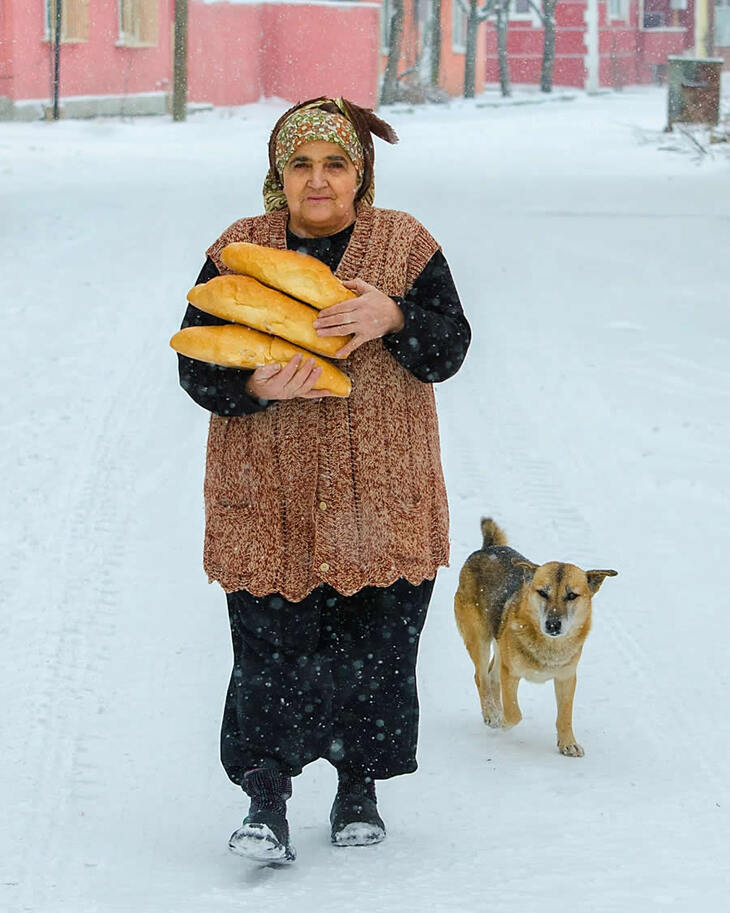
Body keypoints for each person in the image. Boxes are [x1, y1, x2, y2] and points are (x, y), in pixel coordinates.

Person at [177, 96, 471, 865]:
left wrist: (395, 319)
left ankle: (358, 787)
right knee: (272, 647)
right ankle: (265, 800)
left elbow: (451, 349)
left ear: (360, 172)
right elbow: (194, 363)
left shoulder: (404, 244)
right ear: (278, 174)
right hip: (268, 491)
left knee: (375, 645)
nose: (318, 181)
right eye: (301, 164)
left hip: (381, 489)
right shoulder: (240, 246)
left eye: (334, 164)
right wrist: (255, 389)